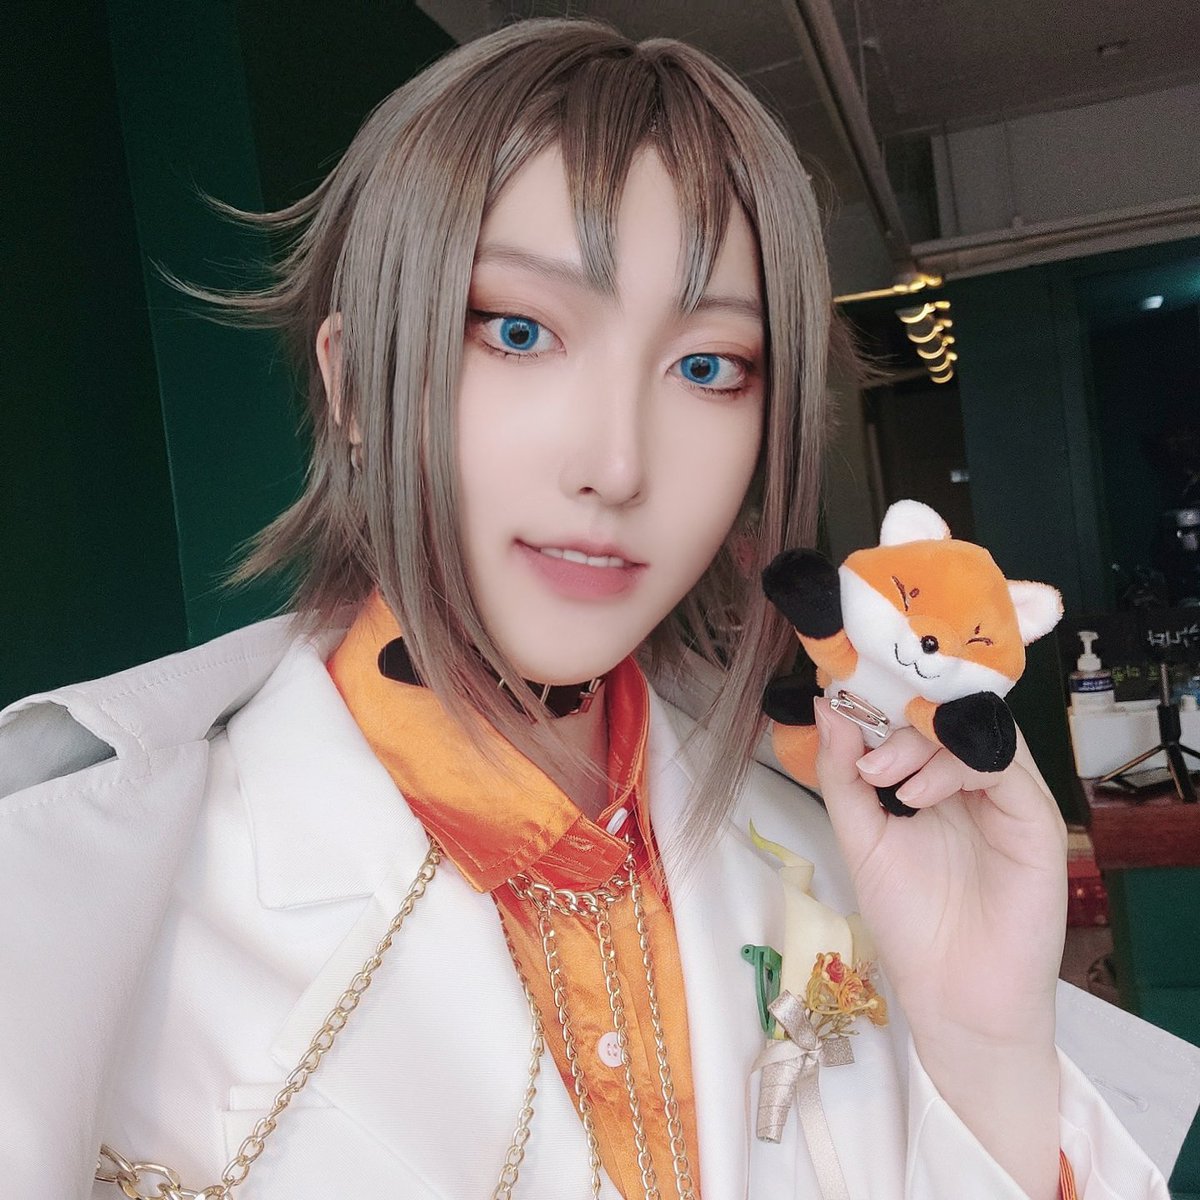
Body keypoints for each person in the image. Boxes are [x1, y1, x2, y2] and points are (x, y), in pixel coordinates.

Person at [1, 19, 1195, 1200]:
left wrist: (984, 1045)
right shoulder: (65, 936)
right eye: (519, 332)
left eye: (708, 367)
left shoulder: (839, 854)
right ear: (356, 383)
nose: (618, 465)